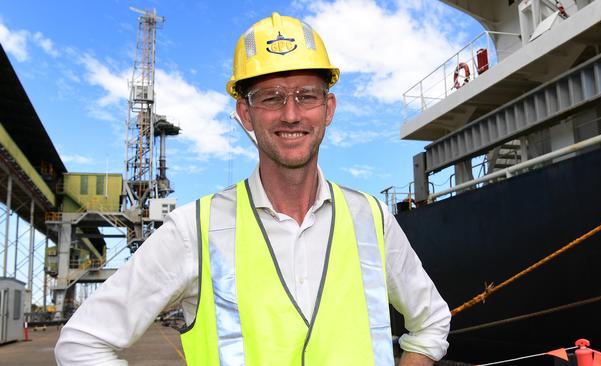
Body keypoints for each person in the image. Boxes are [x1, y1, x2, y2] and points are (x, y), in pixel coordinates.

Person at [55, 12, 450, 366]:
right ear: (246, 114)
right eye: (271, 98)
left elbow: (431, 321)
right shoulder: (195, 229)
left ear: (328, 108)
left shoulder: (372, 218)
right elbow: (80, 343)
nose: (291, 113)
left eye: (306, 96)